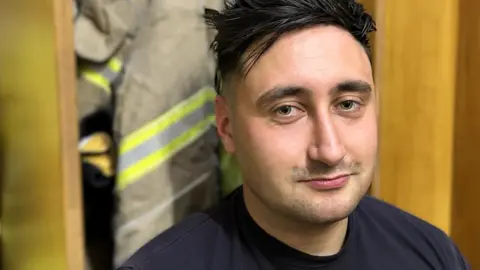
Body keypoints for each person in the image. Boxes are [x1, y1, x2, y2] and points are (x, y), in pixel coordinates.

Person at [117, 0, 470, 269]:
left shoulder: (432, 254)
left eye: (347, 104)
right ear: (226, 127)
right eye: (286, 110)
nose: (329, 151)